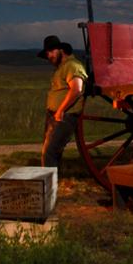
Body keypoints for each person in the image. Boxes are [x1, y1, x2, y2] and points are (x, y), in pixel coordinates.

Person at [40, 34, 88, 169]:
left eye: (51, 51)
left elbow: (77, 89)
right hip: (55, 115)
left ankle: (48, 185)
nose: (49, 56)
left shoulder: (72, 65)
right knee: (50, 152)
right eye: (47, 53)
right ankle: (51, 181)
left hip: (65, 116)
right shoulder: (62, 68)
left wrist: (60, 110)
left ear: (61, 50)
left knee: (49, 152)